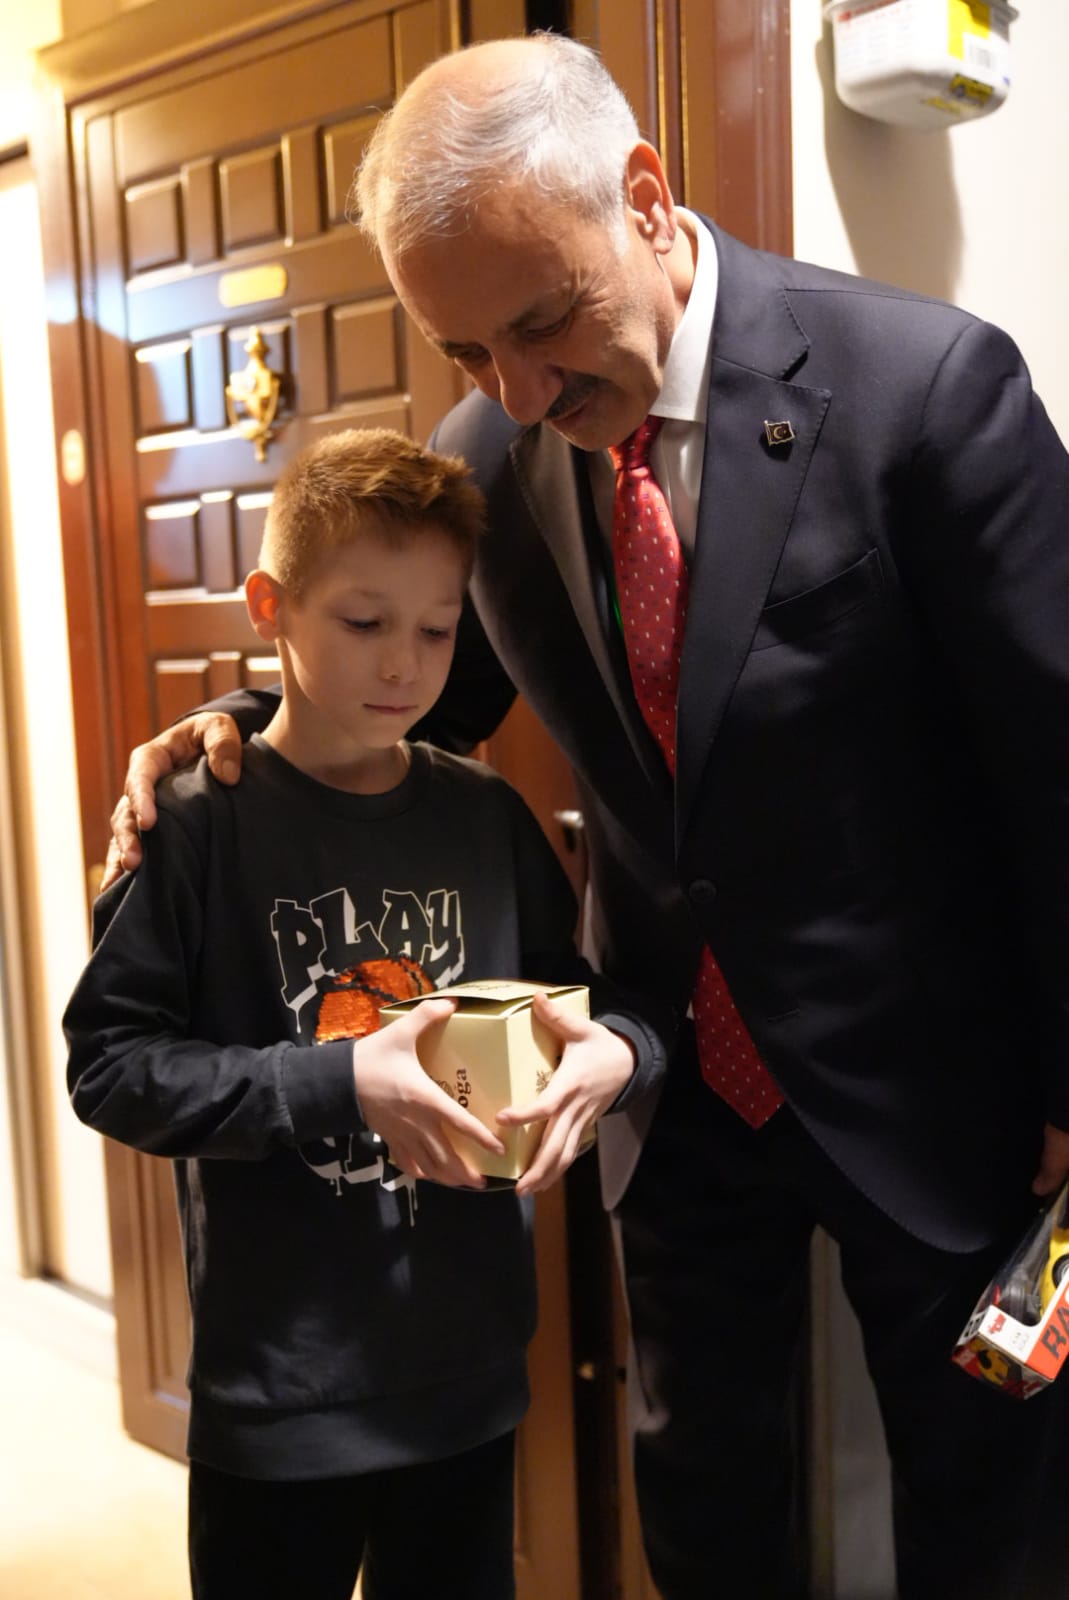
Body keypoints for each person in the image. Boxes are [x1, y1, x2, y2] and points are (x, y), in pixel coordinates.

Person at [104, 34, 1069, 1600]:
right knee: (700, 1496)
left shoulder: (926, 388)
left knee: (986, 1501)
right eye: (467, 351)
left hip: (938, 1084)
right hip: (665, 1083)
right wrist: (232, 728)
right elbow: (421, 698)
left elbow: (1052, 764)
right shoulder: (489, 453)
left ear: (645, 197)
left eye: (542, 322)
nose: (519, 392)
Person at [66, 426, 666, 1600]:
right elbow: (113, 1067)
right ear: (270, 607)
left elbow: (576, 998)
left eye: (437, 631)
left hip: (466, 1376)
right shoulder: (193, 821)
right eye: (362, 622)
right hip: (282, 1390)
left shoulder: (486, 816)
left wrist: (606, 1057)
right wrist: (339, 1082)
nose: (404, 665)